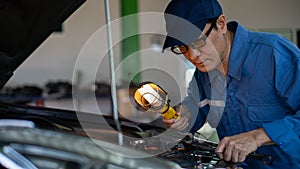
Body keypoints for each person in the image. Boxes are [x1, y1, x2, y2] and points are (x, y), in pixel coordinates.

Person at [161, 0, 300, 168]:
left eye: (197, 42)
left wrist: (258, 137)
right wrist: (184, 115)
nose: (192, 55)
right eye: (182, 47)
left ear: (221, 24)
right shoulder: (204, 73)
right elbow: (196, 107)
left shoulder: (274, 54)